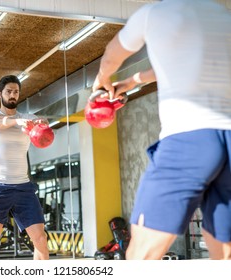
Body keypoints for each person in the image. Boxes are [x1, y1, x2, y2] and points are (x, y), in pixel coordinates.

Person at [92, 0, 231, 260]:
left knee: (141, 255)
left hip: (188, 139)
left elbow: (113, 54)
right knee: (224, 256)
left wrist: (102, 79)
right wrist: (133, 80)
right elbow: (185, 61)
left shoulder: (153, 13)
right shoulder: (222, 15)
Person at [0, 75, 49, 260]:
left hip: (24, 187)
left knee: (41, 239)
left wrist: (42, 122)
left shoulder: (28, 118)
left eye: (16, 92)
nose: (12, 95)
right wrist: (16, 122)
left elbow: (43, 124)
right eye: (8, 91)